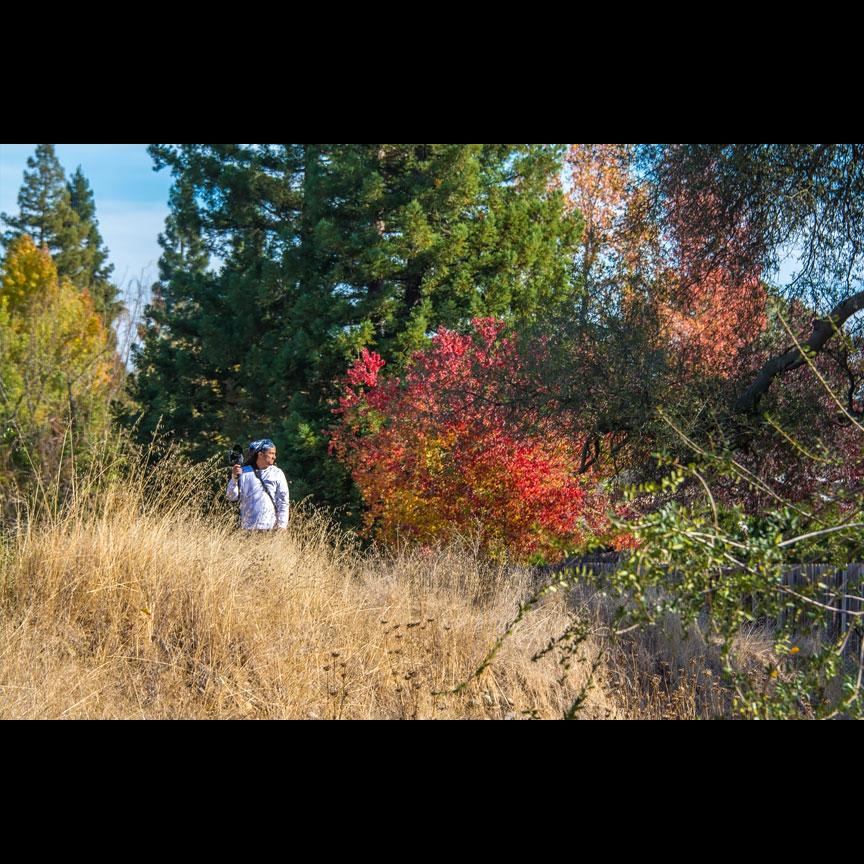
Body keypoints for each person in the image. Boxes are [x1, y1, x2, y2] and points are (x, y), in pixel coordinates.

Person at [226, 438, 290, 531]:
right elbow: (232, 496)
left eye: (274, 454)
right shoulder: (243, 472)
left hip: (271, 528)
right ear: (260, 454)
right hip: (247, 529)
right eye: (271, 453)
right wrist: (234, 478)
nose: (274, 457)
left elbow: (283, 501)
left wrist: (282, 526)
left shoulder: (277, 473)